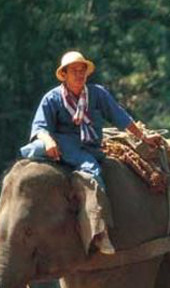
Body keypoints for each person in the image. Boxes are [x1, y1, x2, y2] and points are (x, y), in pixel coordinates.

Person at [19, 50, 159, 253]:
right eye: (73, 70)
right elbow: (40, 127)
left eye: (82, 70)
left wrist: (144, 137)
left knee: (91, 171)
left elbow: (121, 117)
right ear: (64, 75)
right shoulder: (52, 98)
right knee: (34, 149)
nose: (79, 74)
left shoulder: (97, 94)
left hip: (87, 148)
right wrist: (48, 140)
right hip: (61, 143)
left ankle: (98, 230)